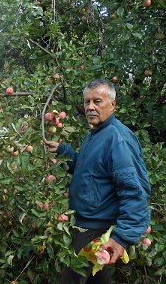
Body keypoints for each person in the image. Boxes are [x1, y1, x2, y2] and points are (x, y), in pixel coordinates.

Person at [44, 79, 151, 284]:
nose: (90, 107)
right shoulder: (96, 133)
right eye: (87, 102)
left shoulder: (117, 139)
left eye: (97, 101)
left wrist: (121, 237)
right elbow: (89, 171)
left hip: (96, 231)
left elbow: (134, 192)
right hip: (85, 226)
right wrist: (63, 151)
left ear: (112, 104)